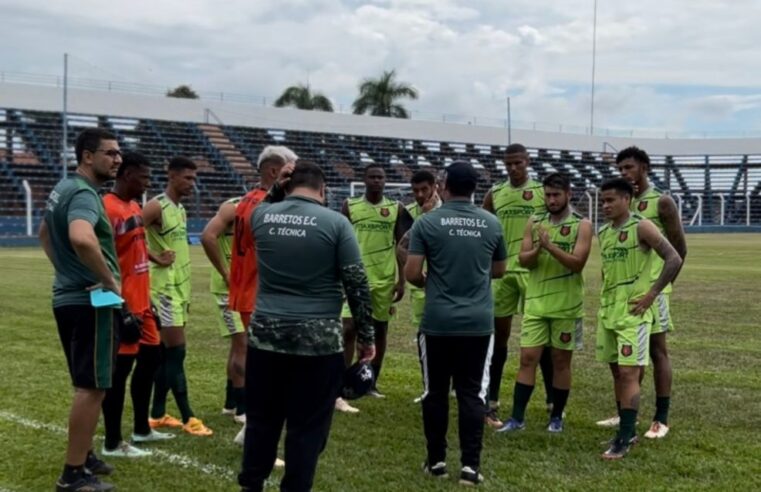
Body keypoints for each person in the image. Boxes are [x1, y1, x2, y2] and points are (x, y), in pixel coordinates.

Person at [238, 160, 375, 491]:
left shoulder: (262, 216)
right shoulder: (336, 223)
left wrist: (276, 189)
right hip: (318, 344)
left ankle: (251, 485)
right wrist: (366, 337)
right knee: (307, 429)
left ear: (287, 184)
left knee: (261, 423)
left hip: (266, 339)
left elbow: (260, 207)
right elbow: (357, 284)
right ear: (323, 189)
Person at [405, 161, 506, 486]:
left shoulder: (427, 223)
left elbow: (411, 273)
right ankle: (470, 468)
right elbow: (500, 269)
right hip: (477, 323)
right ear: (474, 187)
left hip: (437, 322)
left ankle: (436, 462)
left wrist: (434, 282)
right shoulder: (492, 224)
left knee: (435, 392)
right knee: (472, 393)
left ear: (443, 186)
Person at [39, 127, 122, 491]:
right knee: (92, 387)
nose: (117, 159)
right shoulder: (86, 194)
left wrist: (65, 272)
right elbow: (81, 237)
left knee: (88, 381)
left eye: (119, 153)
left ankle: (84, 454)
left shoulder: (64, 188)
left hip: (68, 297)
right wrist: (110, 282)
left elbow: (44, 232)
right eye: (110, 153)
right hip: (92, 301)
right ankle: (73, 474)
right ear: (88, 156)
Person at [595, 147, 687, 439]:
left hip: (653, 291)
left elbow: (679, 249)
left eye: (629, 167)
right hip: (622, 294)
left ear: (645, 168)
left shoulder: (661, 201)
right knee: (625, 357)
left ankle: (661, 417)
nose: (624, 173)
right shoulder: (616, 212)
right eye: (621, 169)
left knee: (658, 351)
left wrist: (660, 288)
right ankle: (625, 412)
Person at [497, 173, 593, 434]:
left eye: (556, 195)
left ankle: (557, 417)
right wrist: (539, 248)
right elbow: (524, 259)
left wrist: (550, 247)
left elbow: (577, 264)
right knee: (527, 359)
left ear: (568, 195)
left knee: (561, 362)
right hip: (536, 304)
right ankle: (517, 419)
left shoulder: (582, 224)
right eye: (548, 195)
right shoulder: (535, 221)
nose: (551, 200)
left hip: (567, 305)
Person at [101, 152, 174, 459]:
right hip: (121, 306)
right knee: (119, 373)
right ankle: (113, 441)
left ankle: (141, 429)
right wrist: (117, 305)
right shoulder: (106, 208)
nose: (147, 182)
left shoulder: (134, 207)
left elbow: (137, 254)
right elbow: (100, 262)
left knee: (152, 361)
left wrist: (148, 301)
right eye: (143, 176)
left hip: (143, 305)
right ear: (127, 174)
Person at [226, 145, 297, 444]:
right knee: (268, 366)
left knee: (258, 359)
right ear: (274, 172)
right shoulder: (266, 206)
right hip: (260, 292)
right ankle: (253, 427)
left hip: (247, 290)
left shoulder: (245, 200)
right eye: (290, 172)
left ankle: (246, 418)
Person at [482, 143, 553, 428]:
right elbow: (484, 226)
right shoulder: (495, 194)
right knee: (498, 339)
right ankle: (493, 400)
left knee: (541, 338)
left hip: (533, 272)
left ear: (528, 162)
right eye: (508, 164)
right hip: (502, 273)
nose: (513, 168)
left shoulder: (540, 192)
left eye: (518, 163)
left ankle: (551, 401)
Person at [144, 156, 212, 436]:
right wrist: (154, 257)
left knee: (166, 355)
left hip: (179, 288)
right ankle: (189, 417)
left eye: (194, 179)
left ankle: (158, 413)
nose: (192, 184)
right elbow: (123, 234)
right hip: (163, 289)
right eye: (187, 178)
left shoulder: (179, 209)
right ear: (171, 175)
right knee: (176, 352)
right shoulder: (155, 205)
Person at [340, 163, 412, 406]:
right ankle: (342, 381)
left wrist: (401, 281)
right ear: (364, 180)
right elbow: (339, 240)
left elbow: (402, 247)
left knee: (379, 331)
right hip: (354, 278)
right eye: (372, 177)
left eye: (380, 177)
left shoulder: (395, 209)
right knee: (348, 328)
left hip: (383, 280)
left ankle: (370, 381)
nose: (376, 181)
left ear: (385, 181)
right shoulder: (350, 206)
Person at [200, 195, 248, 425]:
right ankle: (242, 408)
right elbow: (208, 236)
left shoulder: (265, 208)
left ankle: (231, 403)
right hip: (227, 291)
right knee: (243, 345)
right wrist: (226, 273)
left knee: (238, 345)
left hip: (247, 289)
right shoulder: (233, 207)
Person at [404, 170, 440, 329]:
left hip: (442, 281)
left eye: (424, 189)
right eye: (415, 190)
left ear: (434, 187)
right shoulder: (407, 211)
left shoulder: (447, 210)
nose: (419, 194)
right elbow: (403, 246)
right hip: (419, 283)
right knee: (422, 330)